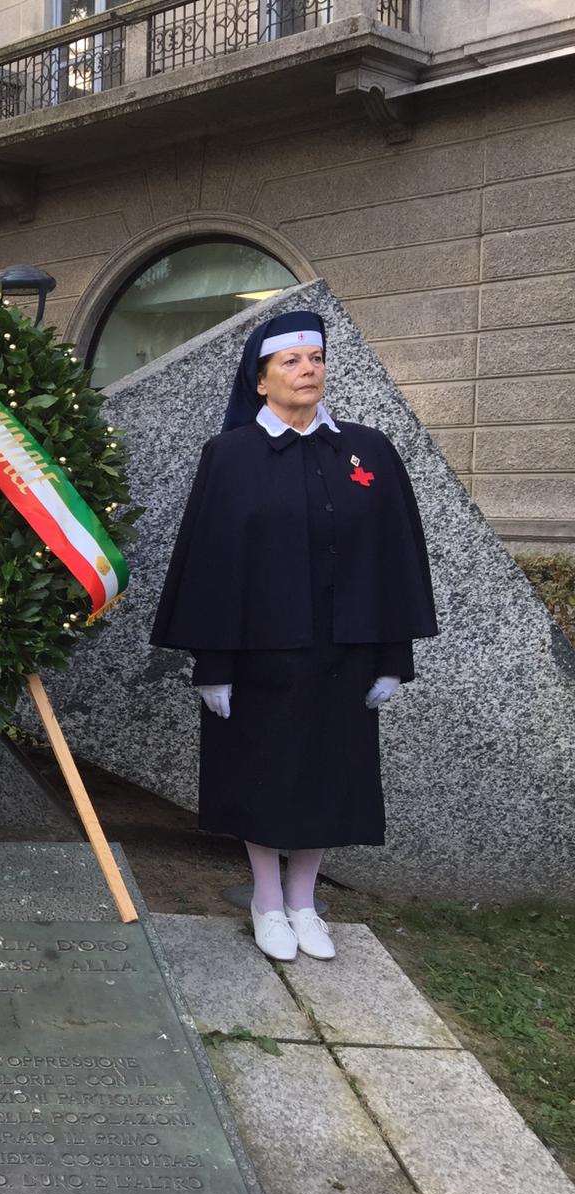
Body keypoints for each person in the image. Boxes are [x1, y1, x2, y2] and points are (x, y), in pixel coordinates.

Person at [151, 310, 437, 962]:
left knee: (329, 777)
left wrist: (393, 656)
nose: (308, 369)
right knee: (265, 776)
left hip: (346, 653)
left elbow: (394, 554)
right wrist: (213, 664)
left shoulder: (369, 450)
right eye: (291, 361)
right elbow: (212, 563)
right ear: (260, 381)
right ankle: (266, 900)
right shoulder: (230, 457)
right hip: (262, 657)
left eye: (316, 358)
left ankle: (304, 901)